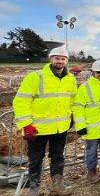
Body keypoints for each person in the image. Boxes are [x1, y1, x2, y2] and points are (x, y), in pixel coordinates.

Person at [13, 47, 77, 196]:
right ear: (50, 59)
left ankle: (57, 184)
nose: (60, 61)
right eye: (57, 58)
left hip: (59, 128)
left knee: (57, 156)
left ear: (67, 61)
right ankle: (34, 188)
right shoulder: (36, 77)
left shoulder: (71, 79)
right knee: (35, 158)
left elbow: (73, 100)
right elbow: (21, 101)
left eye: (63, 59)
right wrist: (25, 124)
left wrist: (72, 117)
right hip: (37, 129)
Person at [72, 60, 100, 183]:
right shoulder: (85, 87)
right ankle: (91, 171)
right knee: (91, 151)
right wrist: (80, 124)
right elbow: (78, 107)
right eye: (99, 72)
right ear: (93, 72)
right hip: (91, 128)